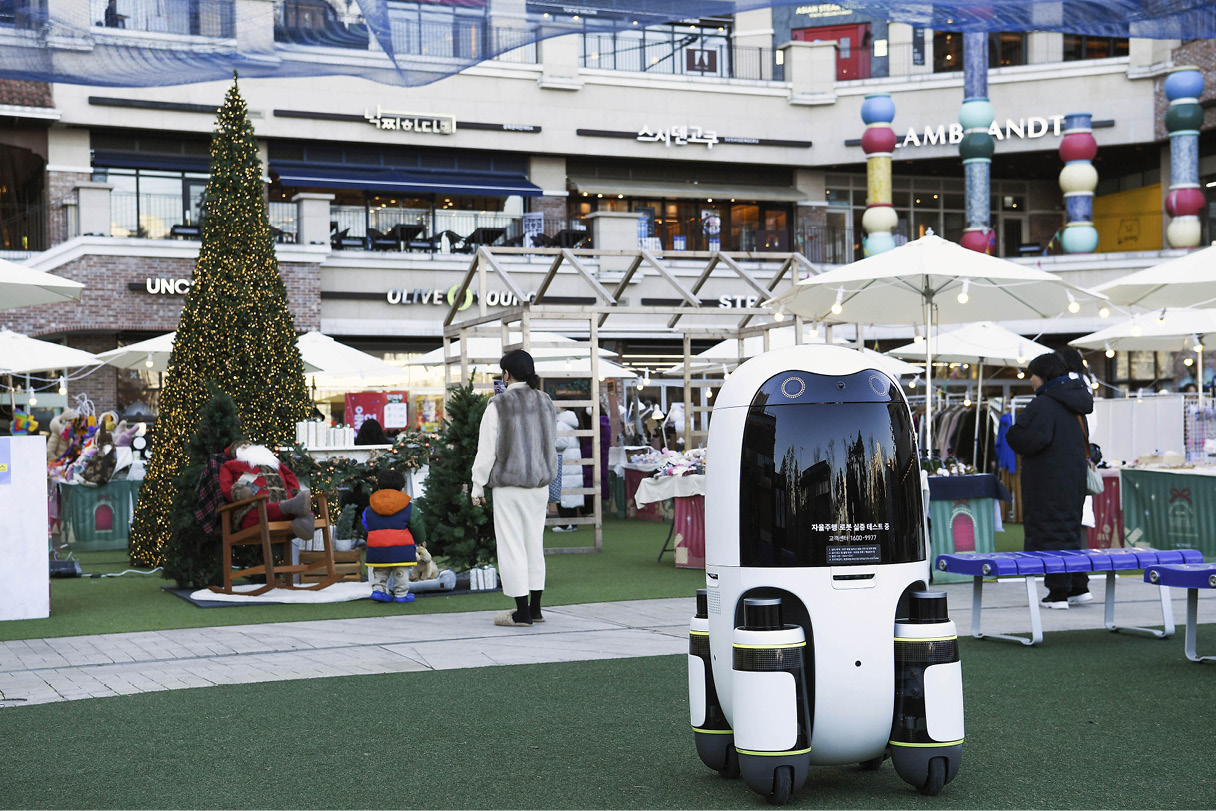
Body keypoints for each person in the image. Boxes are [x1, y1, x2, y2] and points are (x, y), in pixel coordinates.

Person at [470, 349, 558, 627]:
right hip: (539, 484)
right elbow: (552, 445)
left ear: (506, 374)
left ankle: (520, 612)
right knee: (534, 544)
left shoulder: (498, 404)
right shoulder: (546, 401)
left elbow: (487, 450)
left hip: (509, 484)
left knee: (511, 546)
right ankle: (535, 609)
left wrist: (477, 485)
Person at [1006, 352, 1094, 609]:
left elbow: (1027, 440)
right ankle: (1079, 587)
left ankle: (1057, 593)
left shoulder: (1044, 405)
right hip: (1072, 479)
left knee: (1050, 533)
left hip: (1046, 481)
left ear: (1044, 375)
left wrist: (1012, 431)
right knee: (1069, 531)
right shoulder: (1076, 403)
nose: (1030, 379)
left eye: (1032, 374)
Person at [218, 439, 315, 540]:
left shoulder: (271, 461)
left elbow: (289, 477)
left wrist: (295, 493)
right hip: (254, 513)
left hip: (283, 508)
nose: (246, 446)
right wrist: (240, 493)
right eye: (242, 446)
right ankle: (293, 507)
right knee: (264, 510)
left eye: (249, 445)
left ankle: (304, 522)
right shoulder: (231, 465)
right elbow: (226, 487)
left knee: (298, 509)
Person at [362, 468, 420, 603]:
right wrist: (420, 539)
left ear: (379, 486)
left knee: (380, 570)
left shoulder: (370, 508)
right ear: (402, 487)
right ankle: (401, 594)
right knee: (401, 572)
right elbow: (416, 525)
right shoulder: (409, 507)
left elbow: (366, 524)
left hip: (377, 547)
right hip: (401, 548)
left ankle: (379, 591)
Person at [553, 409, 582, 532]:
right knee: (572, 494)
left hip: (563, 461)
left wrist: (548, 442)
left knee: (562, 494)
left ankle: (564, 524)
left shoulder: (560, 423)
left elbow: (561, 443)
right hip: (573, 462)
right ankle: (572, 524)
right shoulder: (571, 423)